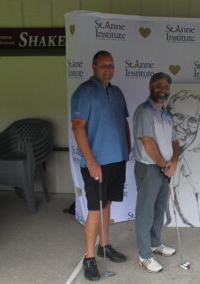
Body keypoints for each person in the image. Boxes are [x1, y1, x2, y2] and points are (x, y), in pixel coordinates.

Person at [71, 50, 130, 281]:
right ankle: (89, 258)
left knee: (106, 205)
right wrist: (92, 162)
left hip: (117, 159)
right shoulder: (84, 92)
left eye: (111, 65)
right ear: (94, 66)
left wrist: (127, 146)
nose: (108, 69)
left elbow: (123, 120)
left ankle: (104, 246)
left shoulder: (116, 92)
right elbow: (77, 127)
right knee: (95, 209)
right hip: (96, 164)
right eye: (104, 65)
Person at [132, 72, 179, 273]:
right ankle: (144, 255)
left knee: (159, 209)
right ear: (150, 87)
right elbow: (148, 142)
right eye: (159, 85)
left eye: (166, 86)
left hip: (165, 168)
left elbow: (175, 141)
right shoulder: (144, 111)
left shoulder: (166, 114)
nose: (163, 89)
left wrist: (174, 162)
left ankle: (154, 243)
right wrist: (163, 165)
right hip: (150, 168)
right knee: (145, 212)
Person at [165, 90, 200, 227]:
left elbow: (187, 174)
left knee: (176, 204)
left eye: (193, 120)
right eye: (179, 117)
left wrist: (195, 187)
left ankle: (178, 220)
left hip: (174, 186)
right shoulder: (158, 153)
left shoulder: (183, 158)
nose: (184, 126)